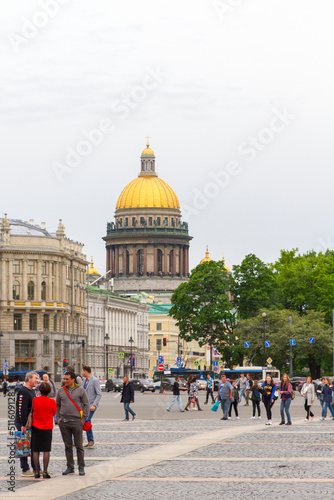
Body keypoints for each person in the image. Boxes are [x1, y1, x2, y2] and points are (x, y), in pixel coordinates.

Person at [56, 371, 89, 476]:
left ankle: (81, 467)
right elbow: (57, 405)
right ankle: (70, 466)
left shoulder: (81, 390)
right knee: (68, 446)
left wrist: (83, 419)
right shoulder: (61, 391)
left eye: (67, 379)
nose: (64, 381)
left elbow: (86, 404)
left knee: (79, 445)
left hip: (77, 422)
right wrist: (58, 418)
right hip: (64, 422)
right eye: (64, 379)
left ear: (73, 379)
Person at [15, 371, 39, 476]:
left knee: (33, 446)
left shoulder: (32, 391)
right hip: (24, 422)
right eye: (36, 378)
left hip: (31, 422)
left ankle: (36, 468)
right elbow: (21, 409)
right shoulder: (23, 391)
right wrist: (23, 425)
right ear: (29, 379)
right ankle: (25, 469)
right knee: (23, 445)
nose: (37, 380)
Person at [31, 382, 57, 479]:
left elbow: (33, 410)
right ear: (49, 391)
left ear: (39, 390)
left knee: (35, 450)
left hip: (36, 427)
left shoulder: (35, 400)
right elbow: (54, 412)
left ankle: (37, 471)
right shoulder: (52, 402)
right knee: (46, 450)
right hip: (47, 427)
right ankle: (45, 472)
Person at [82, 365, 102, 448]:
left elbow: (99, 394)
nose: (82, 373)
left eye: (82, 371)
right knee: (84, 421)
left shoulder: (95, 380)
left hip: (91, 406)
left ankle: (91, 440)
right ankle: (86, 439)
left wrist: (94, 404)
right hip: (84, 405)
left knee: (87, 420)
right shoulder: (84, 381)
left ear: (86, 371)